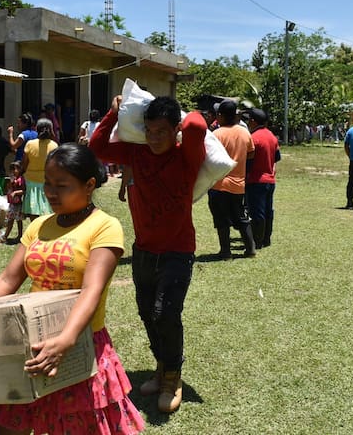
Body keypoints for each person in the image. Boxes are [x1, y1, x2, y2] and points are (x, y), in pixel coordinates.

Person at [0, 143, 145, 435]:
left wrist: (66, 340)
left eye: (62, 185)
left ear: (89, 185)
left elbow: (91, 291)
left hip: (80, 346)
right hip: (30, 345)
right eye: (48, 183)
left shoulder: (105, 227)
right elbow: (8, 280)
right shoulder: (40, 226)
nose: (50, 192)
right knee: (9, 427)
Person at [90, 95, 207, 413]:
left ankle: (172, 377)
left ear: (176, 130)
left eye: (162, 131)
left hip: (178, 251)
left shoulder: (188, 156)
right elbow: (97, 148)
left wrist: (167, 109)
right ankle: (162, 366)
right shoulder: (135, 152)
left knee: (166, 313)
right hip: (143, 250)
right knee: (146, 312)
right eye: (150, 130)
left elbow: (197, 123)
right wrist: (115, 113)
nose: (155, 138)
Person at [209, 99, 256, 259]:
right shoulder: (245, 133)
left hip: (219, 184)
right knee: (241, 216)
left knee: (221, 219)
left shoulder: (216, 134)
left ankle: (226, 251)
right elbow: (251, 153)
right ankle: (250, 249)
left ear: (220, 116)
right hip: (238, 184)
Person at [245, 108, 281, 248]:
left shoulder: (253, 138)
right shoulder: (272, 136)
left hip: (256, 180)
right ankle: (266, 239)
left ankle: (257, 241)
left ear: (253, 121)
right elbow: (276, 157)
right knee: (268, 210)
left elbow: (249, 161)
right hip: (270, 180)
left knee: (256, 212)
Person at [22, 118, 58, 220]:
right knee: (47, 207)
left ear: (37, 129)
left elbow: (24, 163)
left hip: (31, 180)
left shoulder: (30, 144)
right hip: (48, 180)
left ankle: (34, 228)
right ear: (51, 130)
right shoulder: (54, 145)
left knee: (33, 208)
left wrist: (21, 173)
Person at [0, 160, 26, 243]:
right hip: (12, 203)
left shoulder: (21, 179)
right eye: (12, 169)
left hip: (18, 204)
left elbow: (24, 190)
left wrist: (15, 192)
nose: (14, 171)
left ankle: (19, 235)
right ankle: (5, 236)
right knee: (10, 220)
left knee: (18, 220)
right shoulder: (12, 179)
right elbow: (8, 188)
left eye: (16, 169)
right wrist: (10, 183)